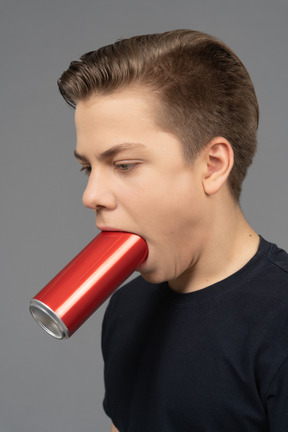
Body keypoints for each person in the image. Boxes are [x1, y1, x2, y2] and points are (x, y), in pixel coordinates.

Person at [57, 30, 288, 432]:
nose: (91, 194)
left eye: (124, 165)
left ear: (212, 165)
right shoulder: (125, 309)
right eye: (87, 167)